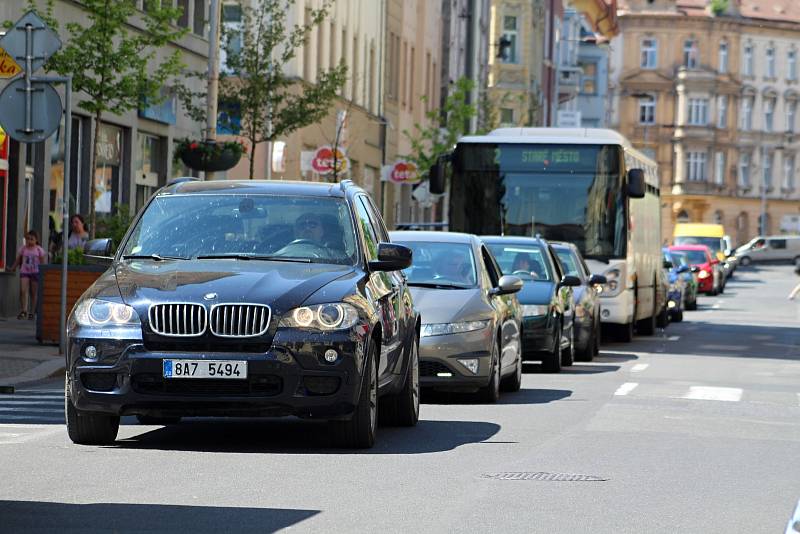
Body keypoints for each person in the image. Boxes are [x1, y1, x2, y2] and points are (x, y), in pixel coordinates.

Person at [7, 230, 47, 320]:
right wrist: (13, 268)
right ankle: (24, 310)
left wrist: (43, 272)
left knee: (33, 293)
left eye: (31, 239)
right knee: (23, 290)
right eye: (28, 239)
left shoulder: (39, 249)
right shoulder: (23, 249)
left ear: (36, 240)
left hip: (35, 272)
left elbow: (42, 262)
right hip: (25, 271)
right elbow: (18, 260)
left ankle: (32, 312)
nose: (29, 241)